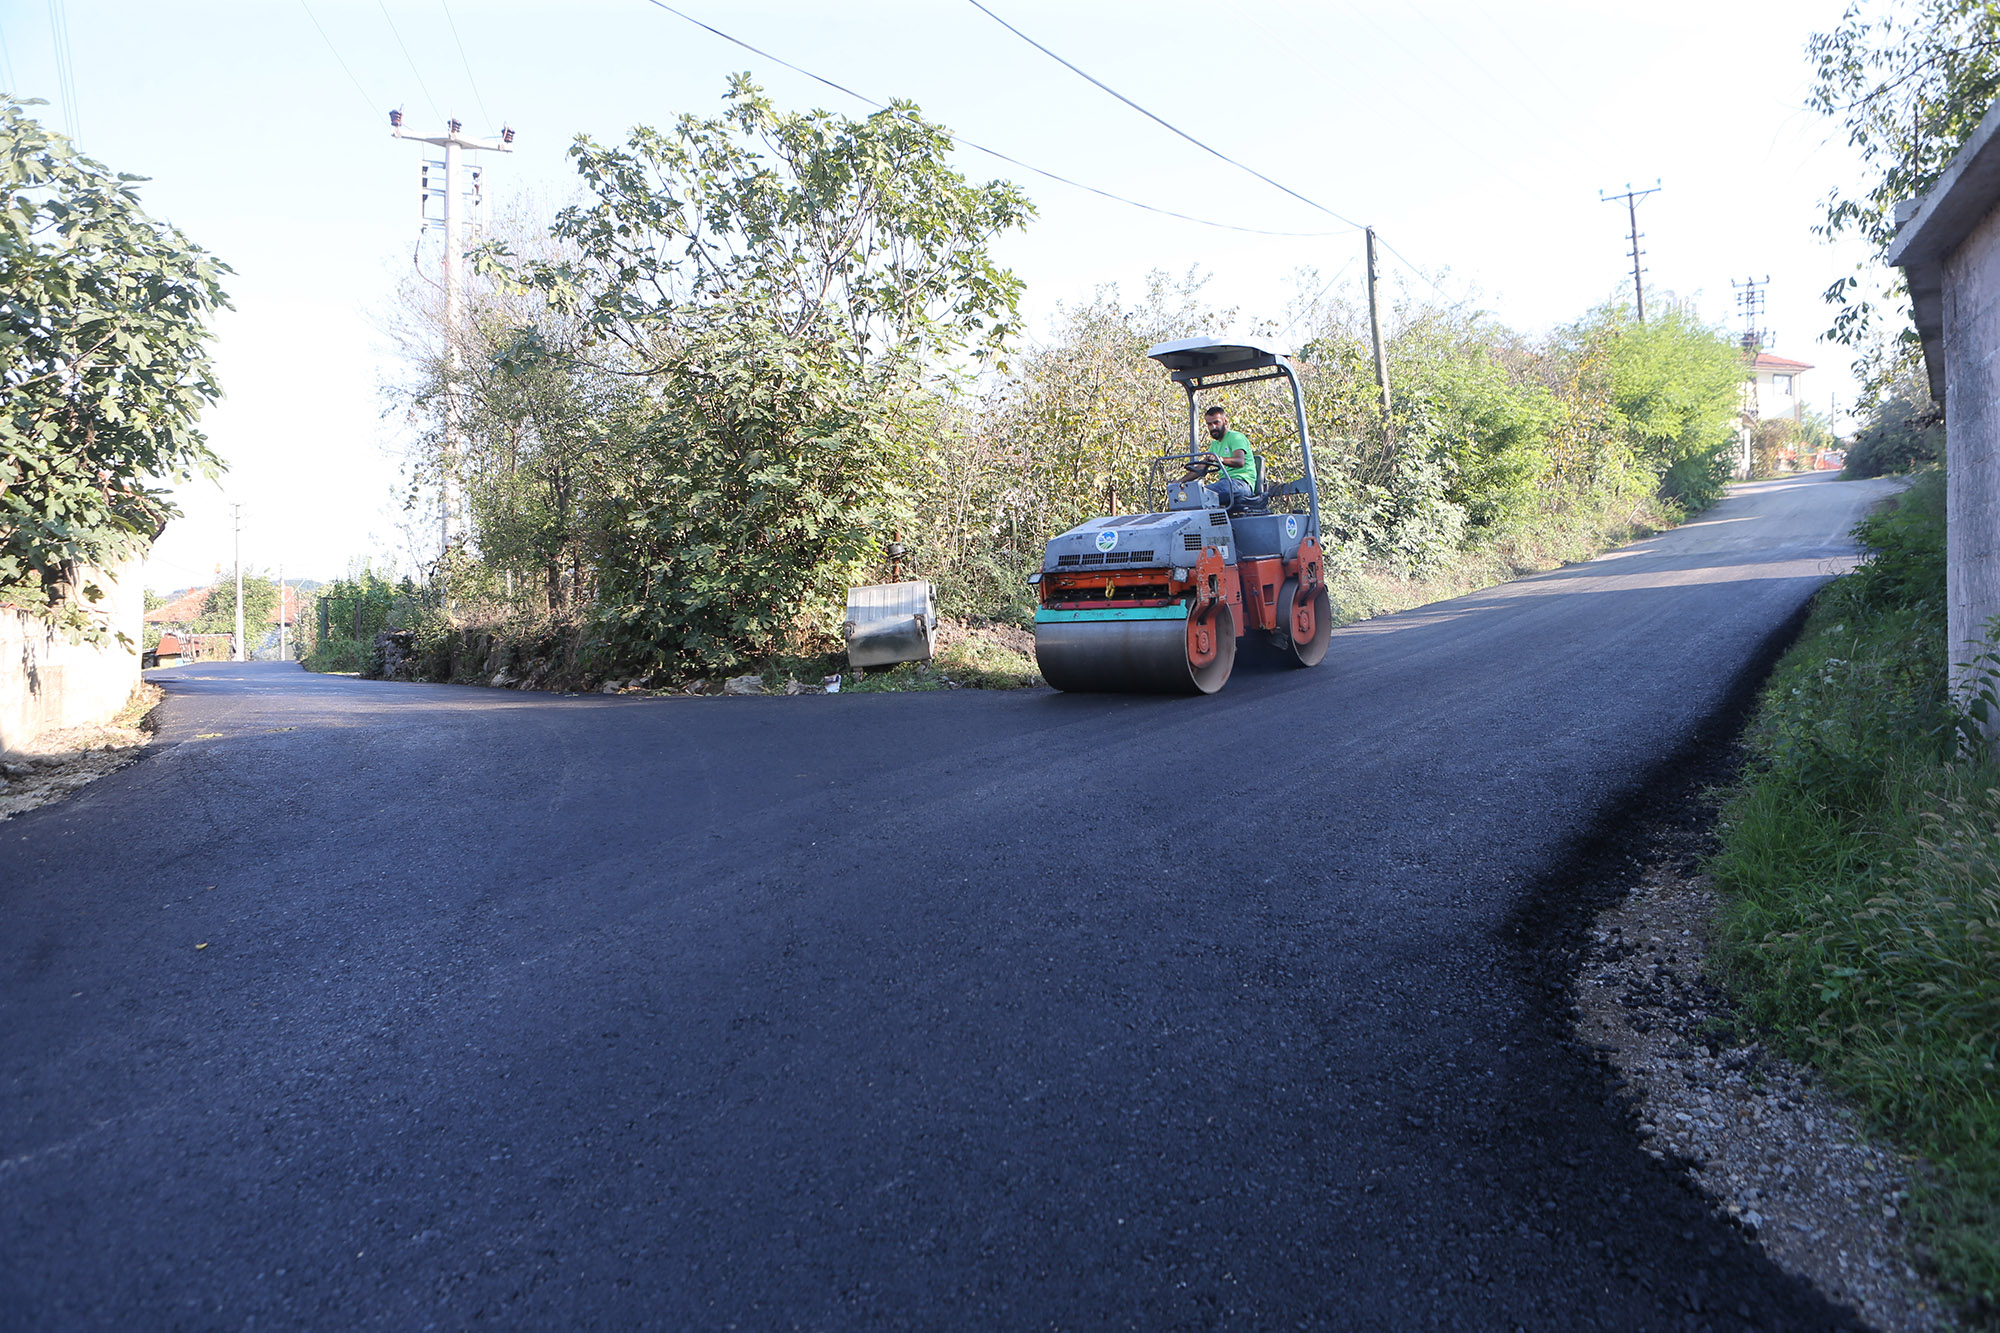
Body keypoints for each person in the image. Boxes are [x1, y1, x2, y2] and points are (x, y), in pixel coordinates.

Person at [1180, 405, 1258, 509]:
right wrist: (1179, 482)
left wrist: (1220, 459)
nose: (1213, 427)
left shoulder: (1236, 437)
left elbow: (1240, 461)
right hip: (1225, 483)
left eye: (1216, 422)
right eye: (1209, 424)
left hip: (1240, 484)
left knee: (1201, 495)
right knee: (1190, 496)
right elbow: (1201, 468)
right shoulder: (1214, 445)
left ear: (1225, 421)